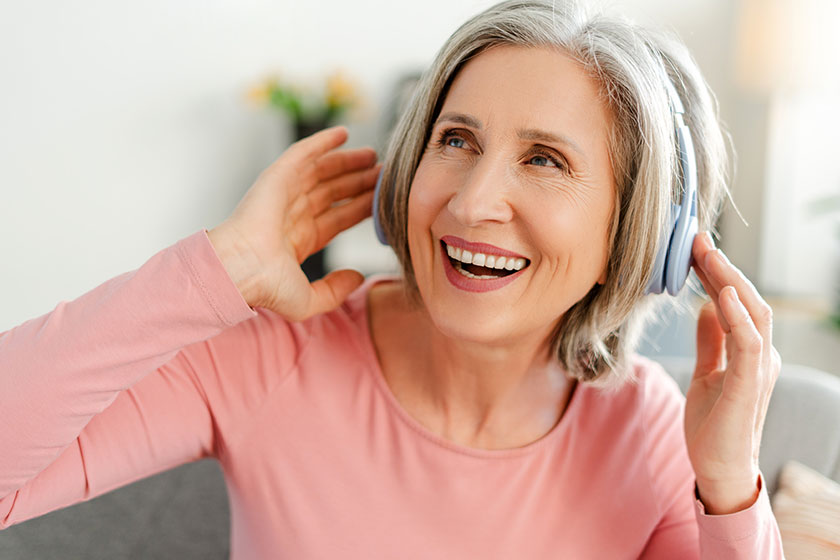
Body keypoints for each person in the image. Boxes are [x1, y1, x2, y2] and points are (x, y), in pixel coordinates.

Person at [0, 0, 784, 557]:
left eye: (545, 160)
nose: (472, 202)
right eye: (456, 140)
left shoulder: (650, 439)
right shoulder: (276, 355)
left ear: (641, 237)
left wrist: (727, 490)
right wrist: (217, 270)